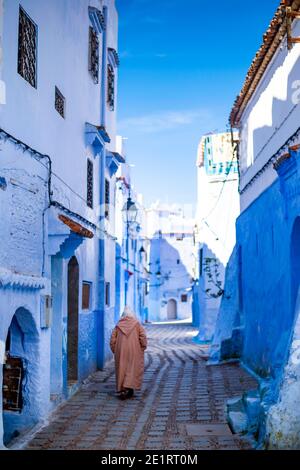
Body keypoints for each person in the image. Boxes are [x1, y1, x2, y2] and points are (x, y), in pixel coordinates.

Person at [110, 306, 147, 399]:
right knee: (132, 368)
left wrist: (115, 350)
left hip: (121, 351)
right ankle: (129, 388)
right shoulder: (137, 324)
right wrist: (143, 347)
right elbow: (143, 336)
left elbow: (112, 340)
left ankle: (123, 389)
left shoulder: (118, 325)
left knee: (122, 369)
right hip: (134, 350)